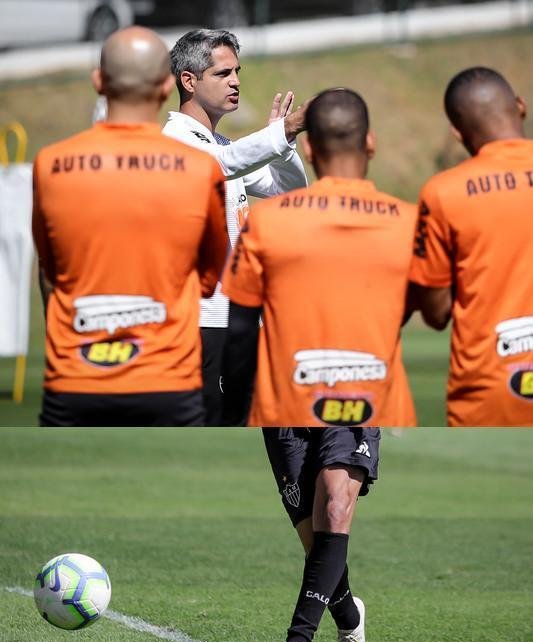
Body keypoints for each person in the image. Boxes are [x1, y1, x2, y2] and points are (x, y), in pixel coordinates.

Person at [33, 27, 228, 426]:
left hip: (75, 379)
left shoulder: (51, 164)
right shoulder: (200, 169)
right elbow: (210, 277)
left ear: (98, 82)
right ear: (164, 87)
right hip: (168, 379)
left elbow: (51, 274)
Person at [221, 88, 417, 427]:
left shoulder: (266, 221)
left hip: (284, 408)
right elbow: (435, 309)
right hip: (378, 406)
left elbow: (240, 326)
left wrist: (237, 403)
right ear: (370, 142)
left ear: (309, 150)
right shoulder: (409, 221)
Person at [162, 29, 308, 425]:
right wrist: (283, 132)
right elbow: (219, 165)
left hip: (239, 320)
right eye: (223, 73)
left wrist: (284, 145)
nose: (236, 81)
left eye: (237, 72)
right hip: (201, 321)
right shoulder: (175, 140)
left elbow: (288, 192)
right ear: (188, 81)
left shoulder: (221, 144)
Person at [409, 66, 533, 426]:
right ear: (520, 106)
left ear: (457, 131)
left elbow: (436, 313)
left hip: (491, 393)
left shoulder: (443, 193)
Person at [263, 426, 380, 642]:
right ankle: (349, 616)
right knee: (318, 547)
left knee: (334, 508)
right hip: (286, 411)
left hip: (346, 402)